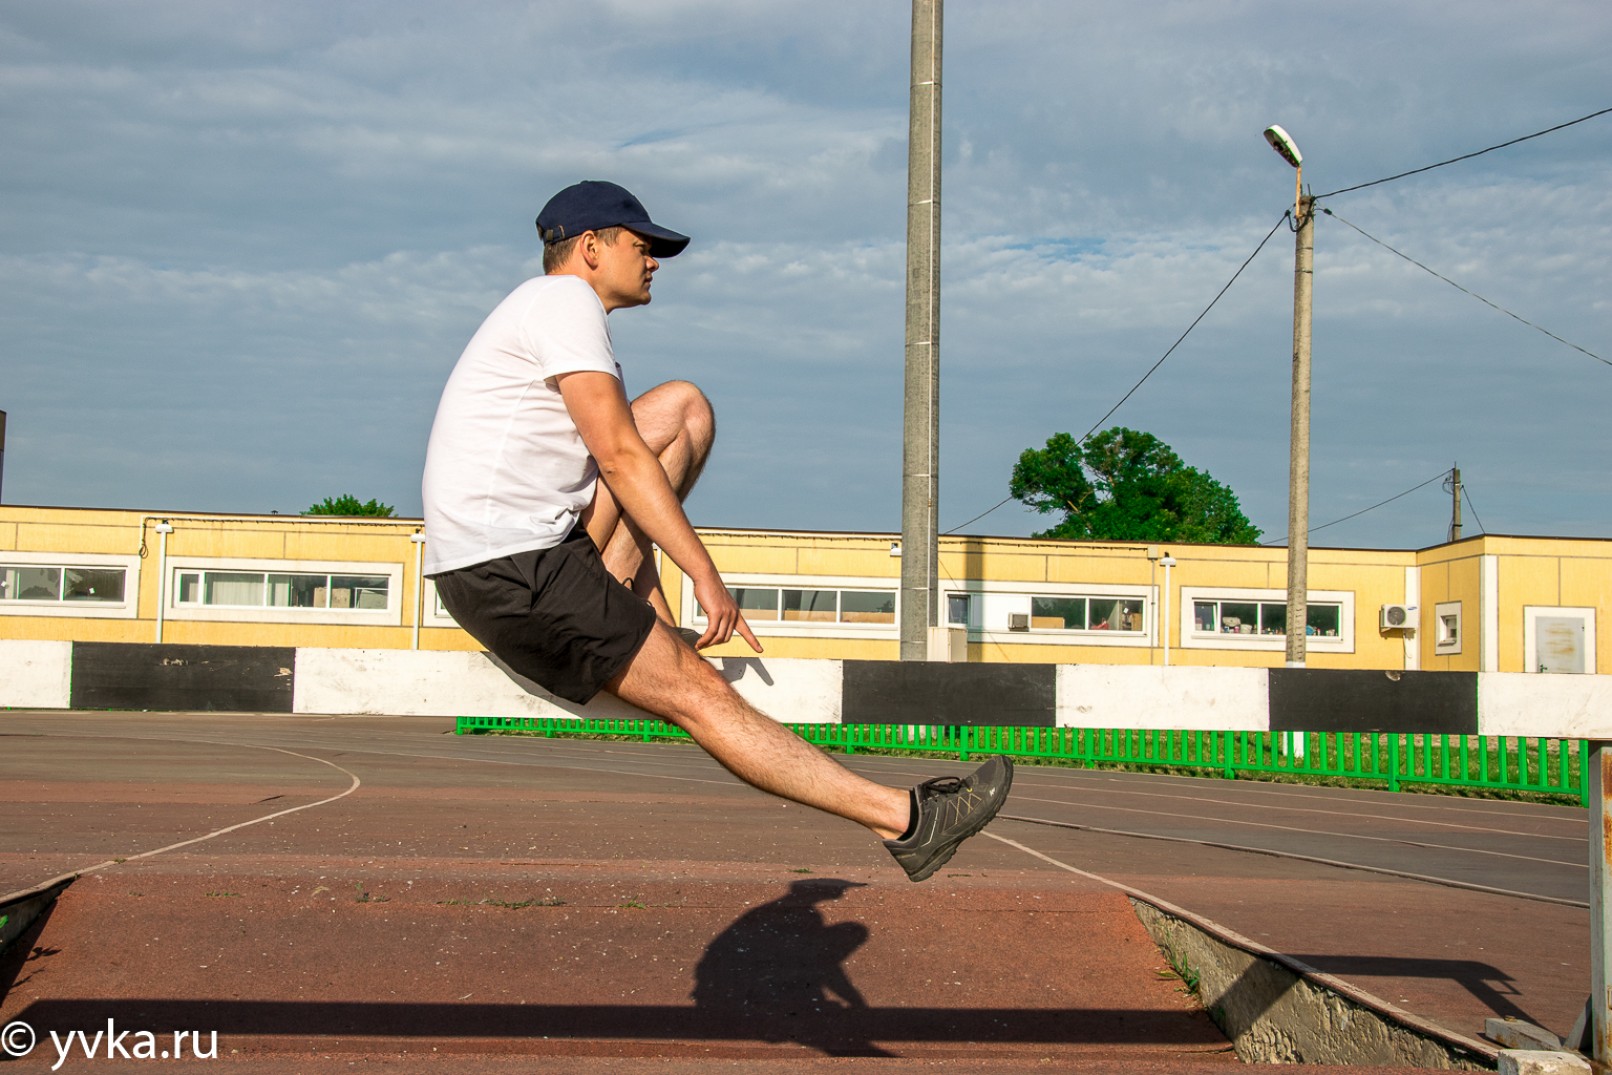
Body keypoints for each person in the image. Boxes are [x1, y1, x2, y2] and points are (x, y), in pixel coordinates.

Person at [421, 180, 1011, 882]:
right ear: (589, 248)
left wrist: (654, 605)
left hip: (516, 558)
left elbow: (628, 463)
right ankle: (909, 821)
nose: (654, 262)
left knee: (680, 409)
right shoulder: (562, 301)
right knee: (702, 697)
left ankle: (628, 602)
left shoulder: (543, 312)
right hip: (516, 568)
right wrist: (704, 574)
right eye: (642, 246)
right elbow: (618, 455)